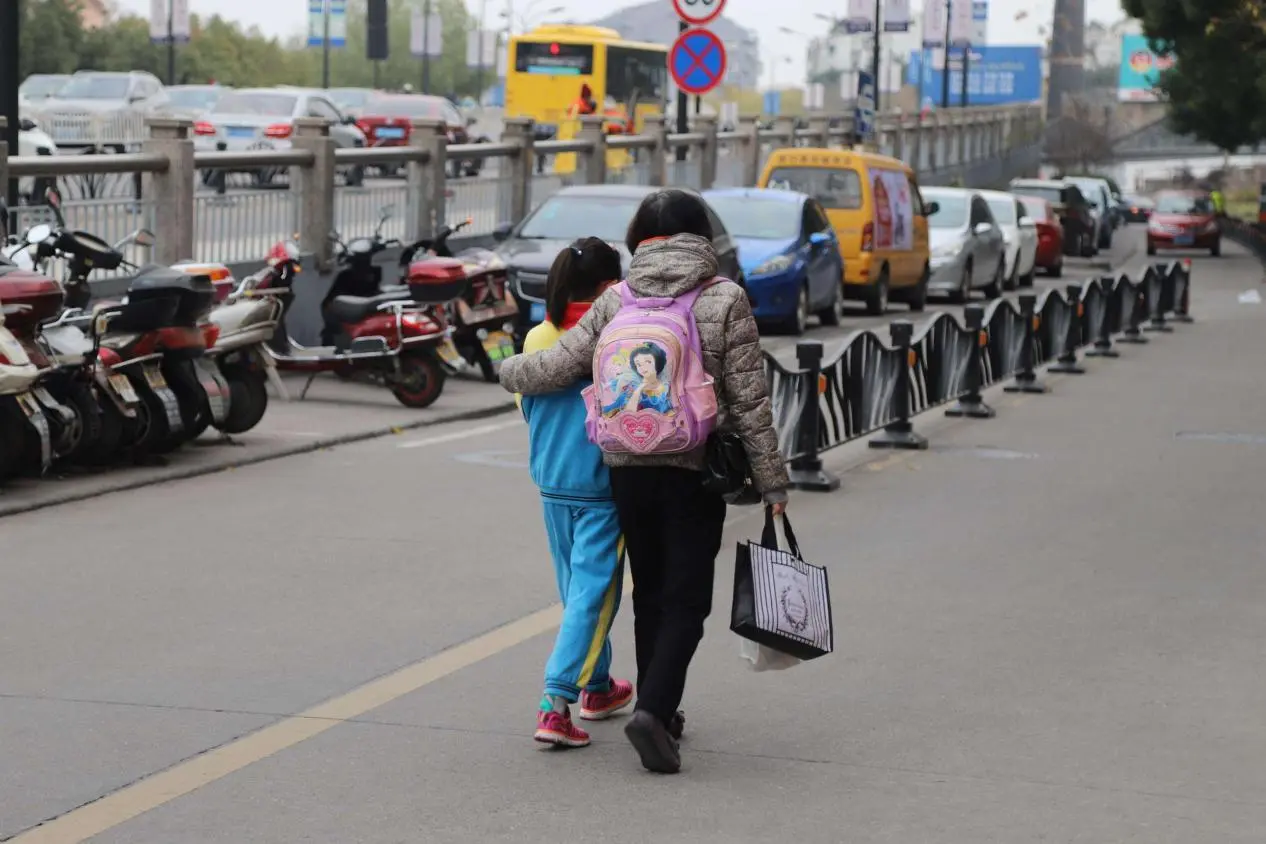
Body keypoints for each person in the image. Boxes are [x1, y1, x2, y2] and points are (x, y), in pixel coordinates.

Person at [499, 189, 791, 774]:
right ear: (700, 234)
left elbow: (558, 364)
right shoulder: (724, 296)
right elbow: (750, 398)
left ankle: (665, 709)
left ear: (640, 239)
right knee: (686, 599)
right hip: (694, 470)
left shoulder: (618, 298)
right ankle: (654, 711)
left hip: (626, 466)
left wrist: (505, 369)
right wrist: (772, 483)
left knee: (651, 591)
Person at [518, 238, 634, 748]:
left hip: (551, 483)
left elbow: (527, 409)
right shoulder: (616, 333)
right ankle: (555, 701)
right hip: (600, 487)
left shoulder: (537, 336)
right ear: (610, 287)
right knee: (593, 595)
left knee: (577, 593)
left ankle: (600, 687)